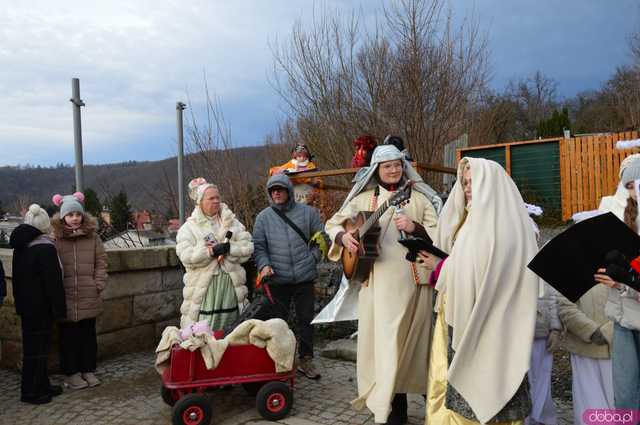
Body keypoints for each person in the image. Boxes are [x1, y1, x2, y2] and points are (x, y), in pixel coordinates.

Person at [325, 144, 440, 425]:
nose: (393, 170)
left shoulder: (420, 199)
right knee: (387, 349)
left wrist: (416, 228)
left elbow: (441, 234)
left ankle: (435, 408)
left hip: (415, 286)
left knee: (417, 349)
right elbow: (332, 224)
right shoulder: (363, 200)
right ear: (376, 170)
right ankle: (393, 409)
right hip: (377, 287)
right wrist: (344, 238)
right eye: (387, 166)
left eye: (397, 165)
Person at [420, 157, 538, 425]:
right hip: (459, 310)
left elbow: (487, 272)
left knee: (483, 387)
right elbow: (466, 265)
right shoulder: (471, 219)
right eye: (464, 182)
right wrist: (445, 266)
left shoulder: (502, 226)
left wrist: (441, 266)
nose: (467, 188)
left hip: (487, 320)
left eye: (474, 182)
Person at [253, 173, 325, 380]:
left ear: (288, 191)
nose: (276, 193)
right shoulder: (263, 218)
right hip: (278, 279)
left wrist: (313, 258)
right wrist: (264, 265)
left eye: (280, 189)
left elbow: (321, 238)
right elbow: (259, 247)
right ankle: (279, 361)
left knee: (306, 321)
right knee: (278, 323)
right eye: (272, 190)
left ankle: (306, 360)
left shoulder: (308, 213)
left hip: (304, 276)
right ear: (269, 193)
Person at [594, 153, 640, 410]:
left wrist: (624, 282)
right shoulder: (624, 218)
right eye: (629, 186)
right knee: (624, 395)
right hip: (622, 318)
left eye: (637, 184)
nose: (633, 192)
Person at [176, 178, 254, 330]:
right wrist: (210, 251)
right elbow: (186, 256)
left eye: (218, 197)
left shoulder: (232, 223)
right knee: (204, 328)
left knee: (233, 327)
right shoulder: (188, 228)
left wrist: (230, 249)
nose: (216, 201)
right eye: (211, 198)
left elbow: (248, 247)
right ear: (200, 202)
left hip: (231, 285)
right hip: (204, 289)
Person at [10, 204, 66, 404]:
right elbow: (53, 283)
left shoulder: (21, 247)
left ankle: (41, 385)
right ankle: (32, 392)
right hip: (42, 309)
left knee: (32, 349)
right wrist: (59, 310)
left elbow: (16, 280)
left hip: (27, 307)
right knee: (39, 351)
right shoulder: (45, 247)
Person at [51, 192, 108, 390]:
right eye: (70, 215)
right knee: (68, 338)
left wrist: (98, 284)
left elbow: (101, 262)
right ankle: (71, 373)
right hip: (65, 296)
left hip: (88, 294)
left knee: (87, 337)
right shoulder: (55, 239)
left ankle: (88, 369)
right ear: (63, 217)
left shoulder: (93, 237)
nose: (74, 218)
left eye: (77, 214)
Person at [557, 285, 614, 424]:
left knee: (617, 402)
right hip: (583, 348)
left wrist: (608, 332)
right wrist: (590, 330)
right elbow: (564, 306)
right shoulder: (572, 270)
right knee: (588, 401)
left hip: (620, 346)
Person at [526, 283, 561, 425]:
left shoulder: (544, 265)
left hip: (541, 329)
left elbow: (553, 297)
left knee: (542, 378)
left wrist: (555, 328)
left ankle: (541, 418)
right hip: (516, 332)